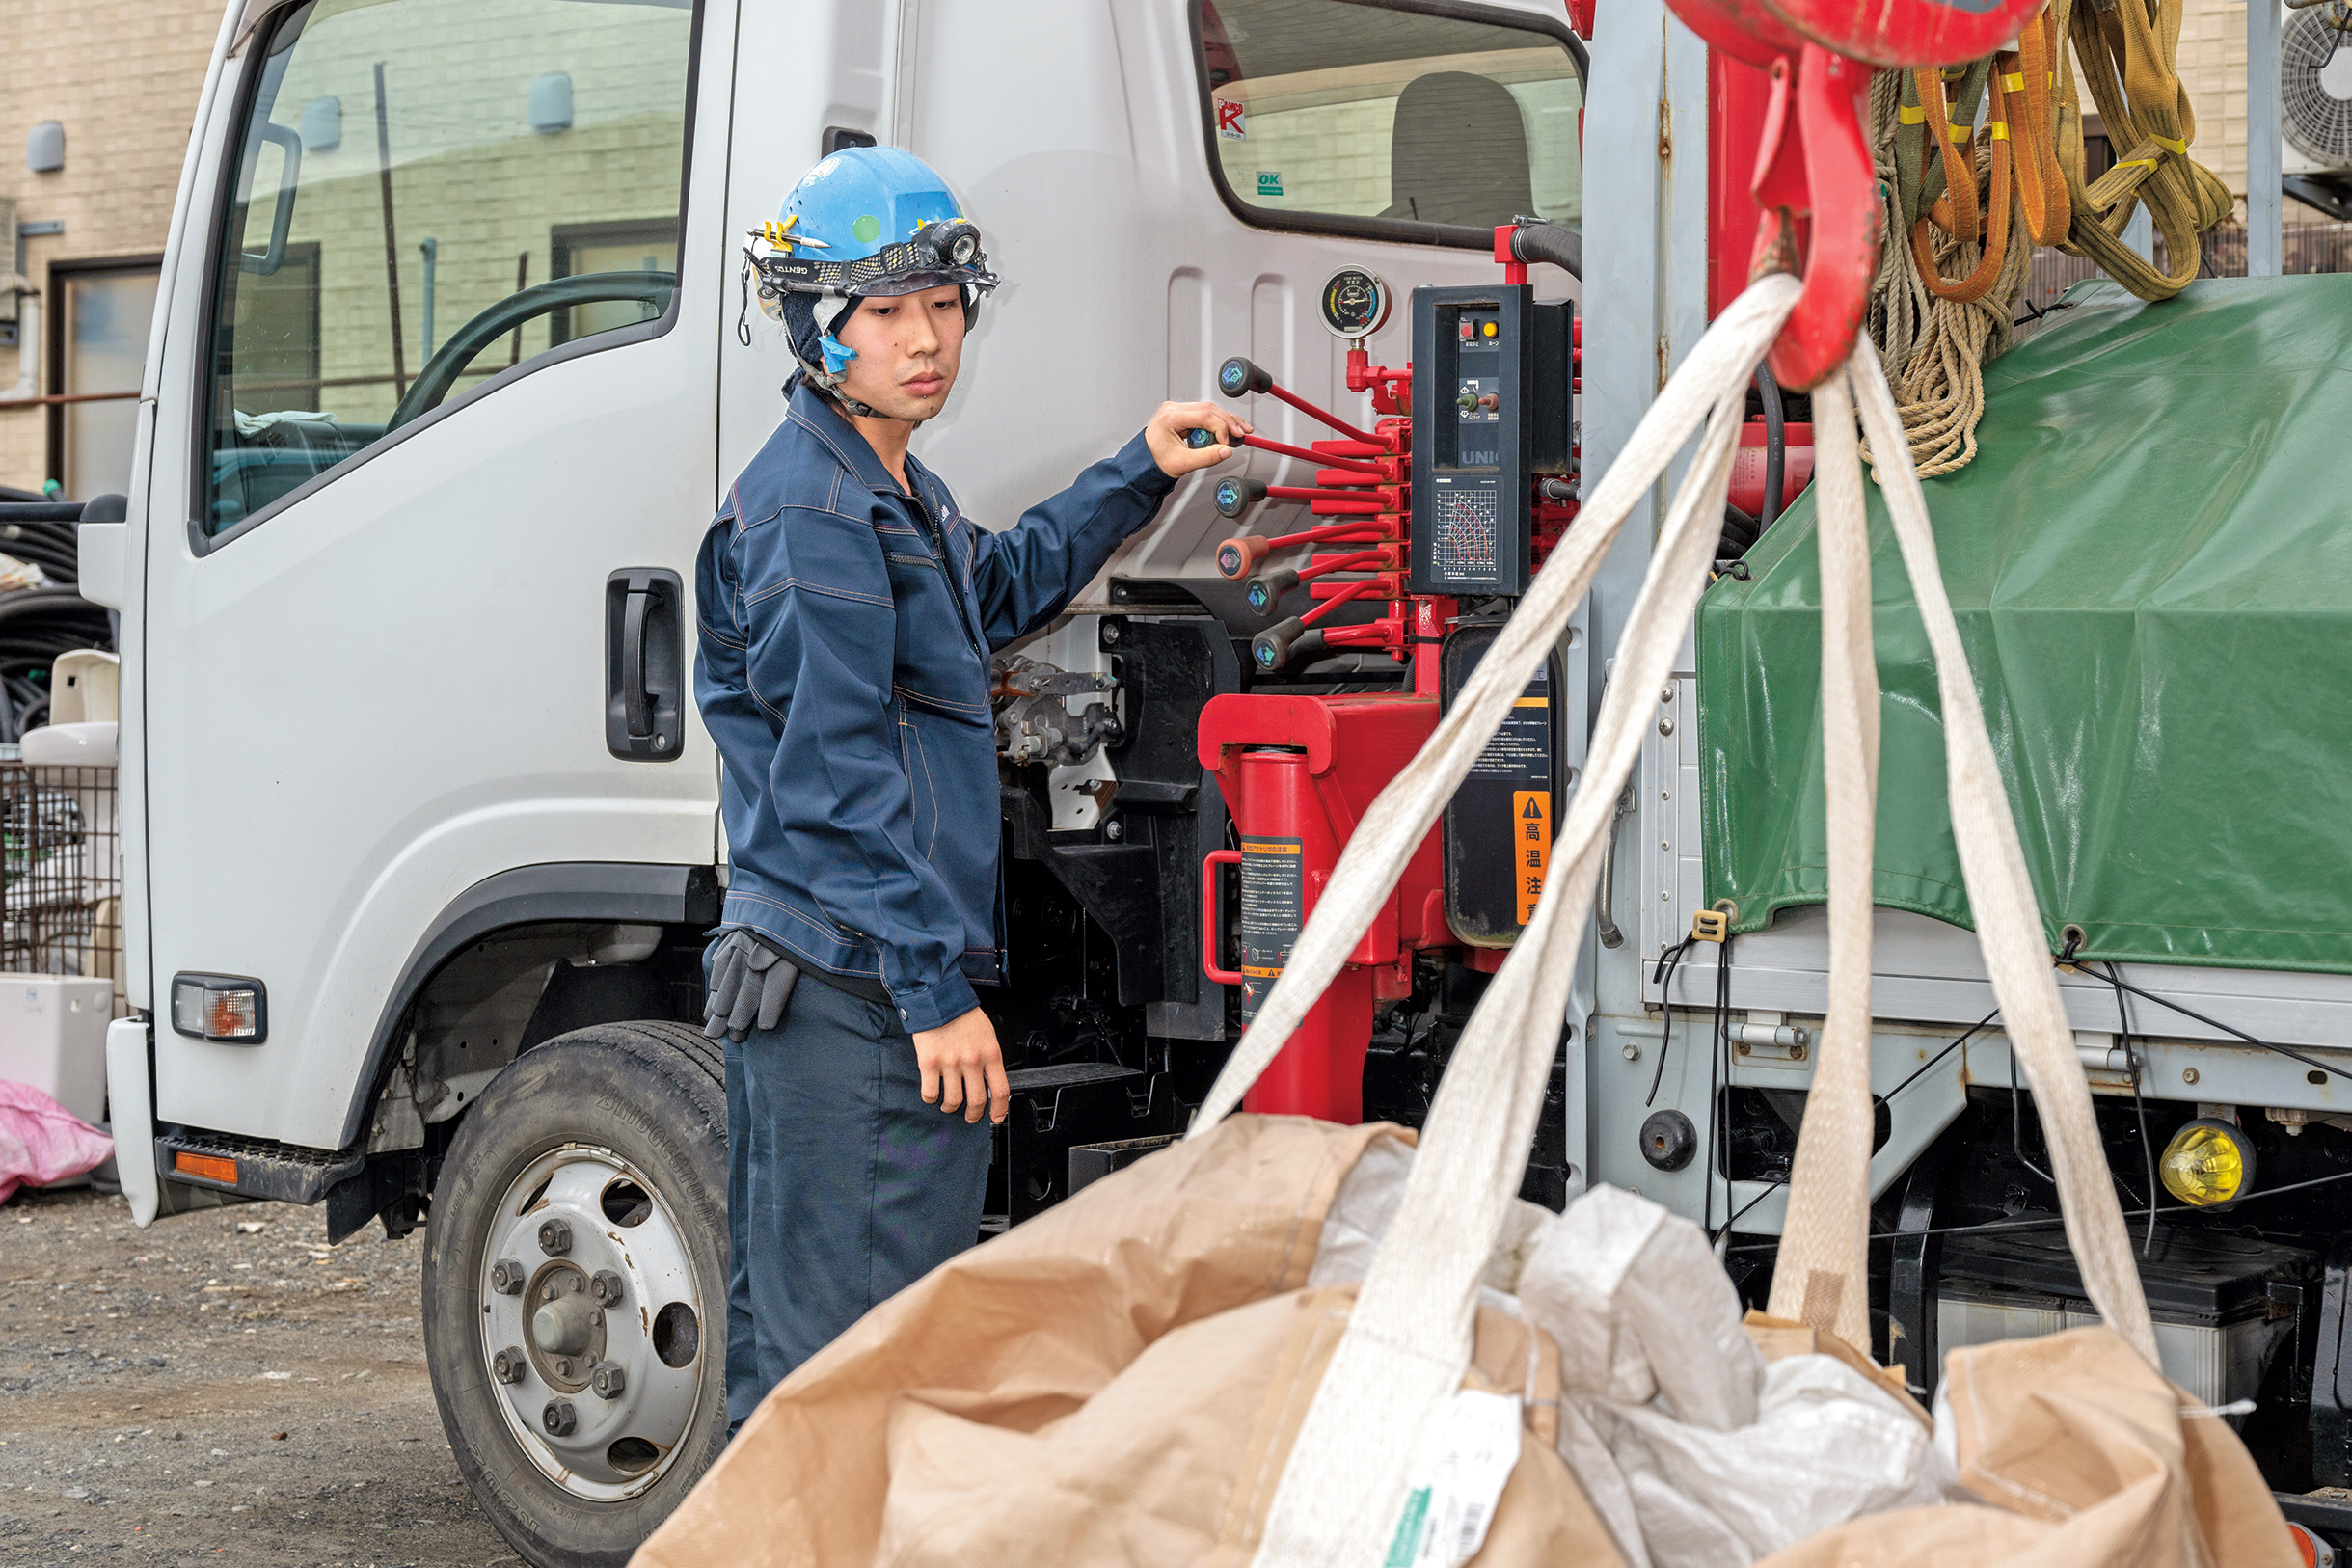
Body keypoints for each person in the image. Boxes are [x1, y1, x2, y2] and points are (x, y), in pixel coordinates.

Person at [692, 146, 1250, 1429]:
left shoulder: (888, 489)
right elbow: (837, 779)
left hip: (845, 973)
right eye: (885, 312)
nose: (926, 338)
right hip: (858, 992)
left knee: (804, 1364)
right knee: (865, 1376)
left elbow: (991, 591)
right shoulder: (815, 517)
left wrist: (1138, 468)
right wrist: (936, 998)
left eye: (943, 304)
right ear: (815, 327)